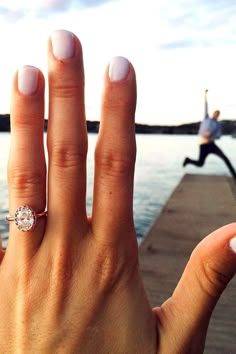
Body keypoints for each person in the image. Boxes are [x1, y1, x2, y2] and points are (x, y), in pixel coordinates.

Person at [0, 29, 236, 353]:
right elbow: (207, 110)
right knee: (204, 157)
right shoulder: (210, 120)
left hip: (208, 146)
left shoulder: (219, 125)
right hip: (204, 145)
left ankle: (200, 161)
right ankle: (196, 160)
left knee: (210, 157)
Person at [183, 89, 236, 178]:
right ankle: (188, 160)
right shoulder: (206, 118)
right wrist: (205, 94)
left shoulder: (218, 125)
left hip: (212, 144)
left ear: (219, 115)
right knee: (200, 163)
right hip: (203, 145)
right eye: (215, 113)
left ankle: (234, 175)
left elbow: (219, 136)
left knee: (225, 158)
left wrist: (211, 135)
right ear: (213, 113)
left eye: (218, 114)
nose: (216, 115)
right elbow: (205, 105)